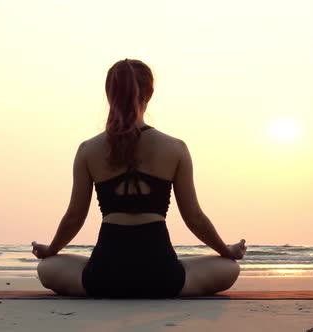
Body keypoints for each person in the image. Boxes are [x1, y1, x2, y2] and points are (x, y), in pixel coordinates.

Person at [31, 59, 246, 298]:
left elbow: (74, 217)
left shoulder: (88, 150)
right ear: (150, 93)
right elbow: (194, 218)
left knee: (47, 267)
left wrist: (50, 250)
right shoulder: (175, 148)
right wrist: (226, 251)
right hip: (163, 277)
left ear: (109, 94)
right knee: (229, 268)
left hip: (103, 277)